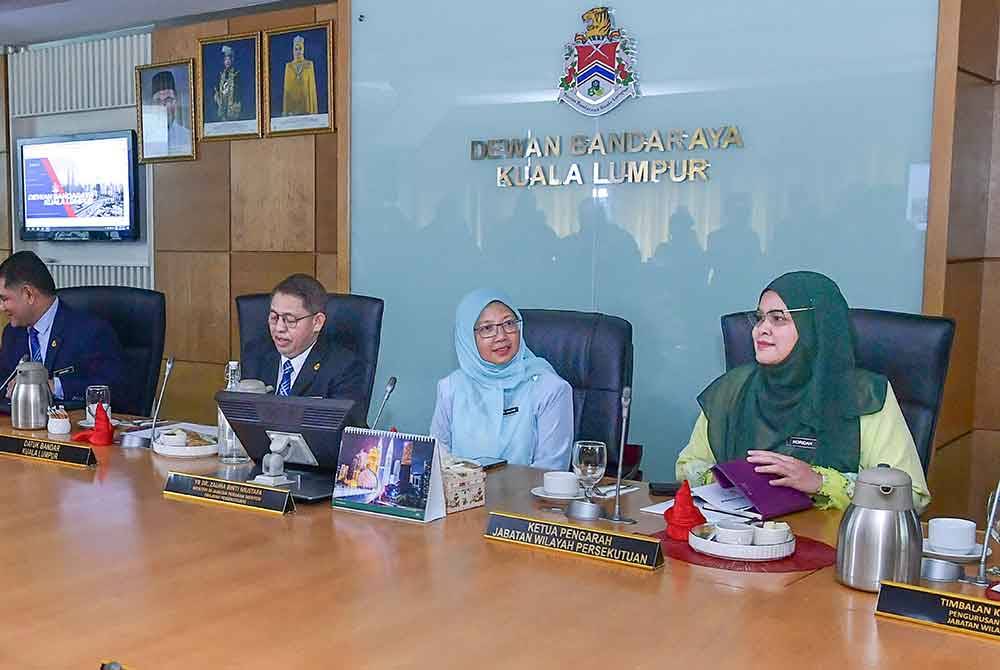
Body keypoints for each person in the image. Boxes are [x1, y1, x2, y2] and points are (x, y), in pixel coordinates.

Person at [675, 271, 930, 512]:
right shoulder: (731, 389)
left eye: (778, 318)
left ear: (814, 327)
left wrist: (819, 482)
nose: (760, 329)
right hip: (740, 542)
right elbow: (687, 468)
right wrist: (736, 480)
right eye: (760, 317)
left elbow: (912, 495)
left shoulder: (864, 395)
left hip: (835, 547)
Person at [430, 289, 574, 470]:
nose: (501, 336)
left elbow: (551, 470)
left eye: (509, 323)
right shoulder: (451, 387)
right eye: (487, 328)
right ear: (467, 337)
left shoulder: (550, 389)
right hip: (461, 495)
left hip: (527, 497)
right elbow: (439, 459)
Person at [0, 251, 126, 403]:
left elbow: (114, 389)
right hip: (20, 424)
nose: (2, 307)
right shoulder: (12, 334)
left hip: (71, 424)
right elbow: (4, 382)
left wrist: (54, 387)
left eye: (4, 299)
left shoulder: (90, 332)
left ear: (28, 294)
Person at [241, 274, 366, 406]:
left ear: (317, 322)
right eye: (274, 317)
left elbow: (344, 424)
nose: (279, 328)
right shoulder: (255, 354)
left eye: (290, 320)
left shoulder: (344, 367)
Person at [149, 70, 192, 155]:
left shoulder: (188, 137)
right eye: (158, 101)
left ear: (175, 102)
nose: (163, 106)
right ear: (152, 105)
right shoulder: (146, 139)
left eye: (168, 99)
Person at [282, 35, 318, 116]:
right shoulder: (289, 66)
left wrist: (313, 110)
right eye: (296, 49)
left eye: (300, 49)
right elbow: (286, 90)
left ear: (303, 49)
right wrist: (286, 111)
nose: (298, 51)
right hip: (293, 108)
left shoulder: (309, 64)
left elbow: (311, 88)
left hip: (306, 106)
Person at [212, 44, 242, 122]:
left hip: (233, 108)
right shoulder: (221, 74)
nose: (227, 61)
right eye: (226, 59)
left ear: (232, 60)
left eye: (229, 59)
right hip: (223, 105)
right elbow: (217, 89)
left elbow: (240, 91)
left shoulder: (237, 73)